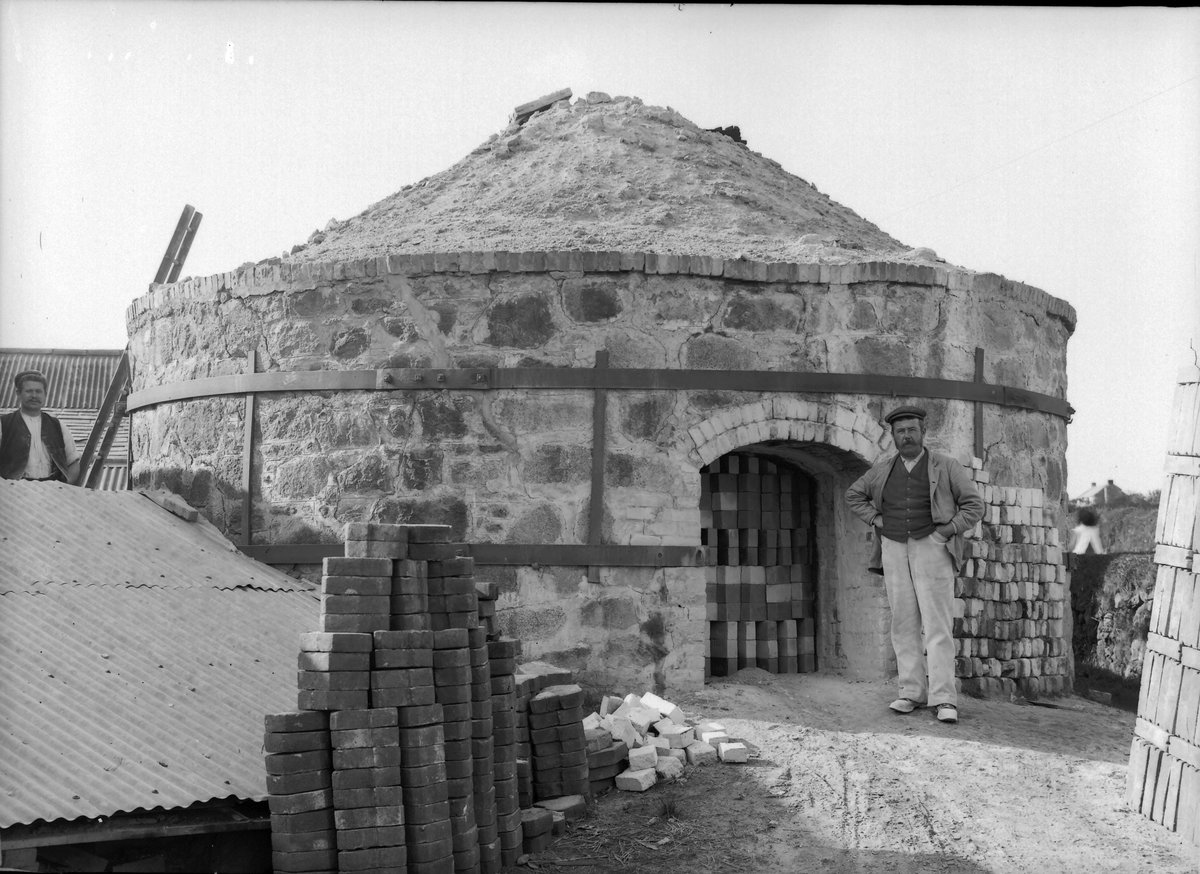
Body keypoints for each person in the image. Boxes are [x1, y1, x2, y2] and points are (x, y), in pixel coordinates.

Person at [845, 406, 984, 724]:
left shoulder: (946, 466)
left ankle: (944, 699)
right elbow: (854, 495)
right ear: (893, 436)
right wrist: (877, 519)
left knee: (937, 626)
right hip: (893, 549)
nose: (906, 436)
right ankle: (911, 692)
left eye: (911, 430)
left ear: (923, 433)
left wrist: (946, 531)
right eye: (900, 431)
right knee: (903, 623)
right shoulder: (882, 470)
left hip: (932, 548)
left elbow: (974, 505)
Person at [0, 369, 81, 484]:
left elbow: (73, 463)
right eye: (29, 391)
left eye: (38, 391)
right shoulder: (3, 424)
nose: (34, 396)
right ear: (18, 393)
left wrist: (64, 489)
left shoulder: (58, 426)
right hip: (15, 492)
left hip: (52, 492)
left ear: (45, 395)